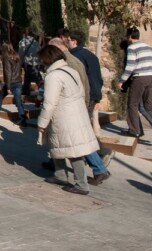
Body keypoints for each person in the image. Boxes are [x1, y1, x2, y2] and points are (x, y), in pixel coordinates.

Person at [43, 37, 112, 183]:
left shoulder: (70, 62)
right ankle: (58, 167)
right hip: (76, 106)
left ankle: (99, 168)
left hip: (74, 107)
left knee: (78, 142)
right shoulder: (73, 59)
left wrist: (83, 105)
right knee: (75, 140)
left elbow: (79, 86)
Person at [36, 45, 100, 195]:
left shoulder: (53, 76)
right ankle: (60, 175)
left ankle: (81, 184)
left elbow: (49, 103)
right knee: (58, 145)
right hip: (76, 114)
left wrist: (42, 123)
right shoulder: (71, 71)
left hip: (64, 117)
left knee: (73, 150)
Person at [65, 31, 104, 136]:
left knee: (82, 125)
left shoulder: (75, 57)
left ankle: (91, 150)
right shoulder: (90, 54)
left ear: (74, 42)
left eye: (68, 41)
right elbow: (98, 76)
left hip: (86, 94)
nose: (66, 43)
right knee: (93, 123)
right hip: (95, 92)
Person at [0, 42, 27, 127]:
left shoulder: (6, 58)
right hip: (18, 81)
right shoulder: (17, 55)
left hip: (10, 83)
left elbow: (8, 73)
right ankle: (22, 119)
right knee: (18, 101)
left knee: (0, 97)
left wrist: (8, 87)